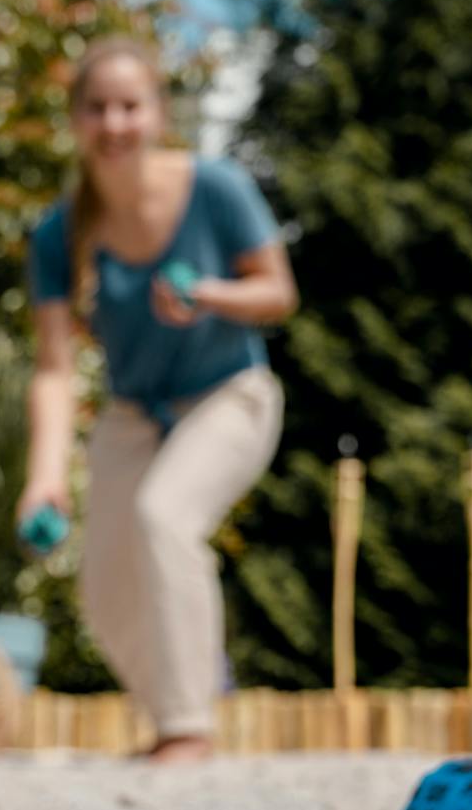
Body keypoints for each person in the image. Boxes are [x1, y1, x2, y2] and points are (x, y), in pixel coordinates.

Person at [18, 38, 298, 764]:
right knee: (105, 595)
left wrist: (208, 294)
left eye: (130, 106)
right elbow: (53, 368)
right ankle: (189, 704)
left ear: (159, 114)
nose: (115, 123)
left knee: (164, 517)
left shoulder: (218, 188)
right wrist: (45, 477)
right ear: (77, 120)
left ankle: (186, 728)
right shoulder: (59, 232)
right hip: (134, 413)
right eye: (97, 108)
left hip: (231, 395)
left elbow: (278, 294)